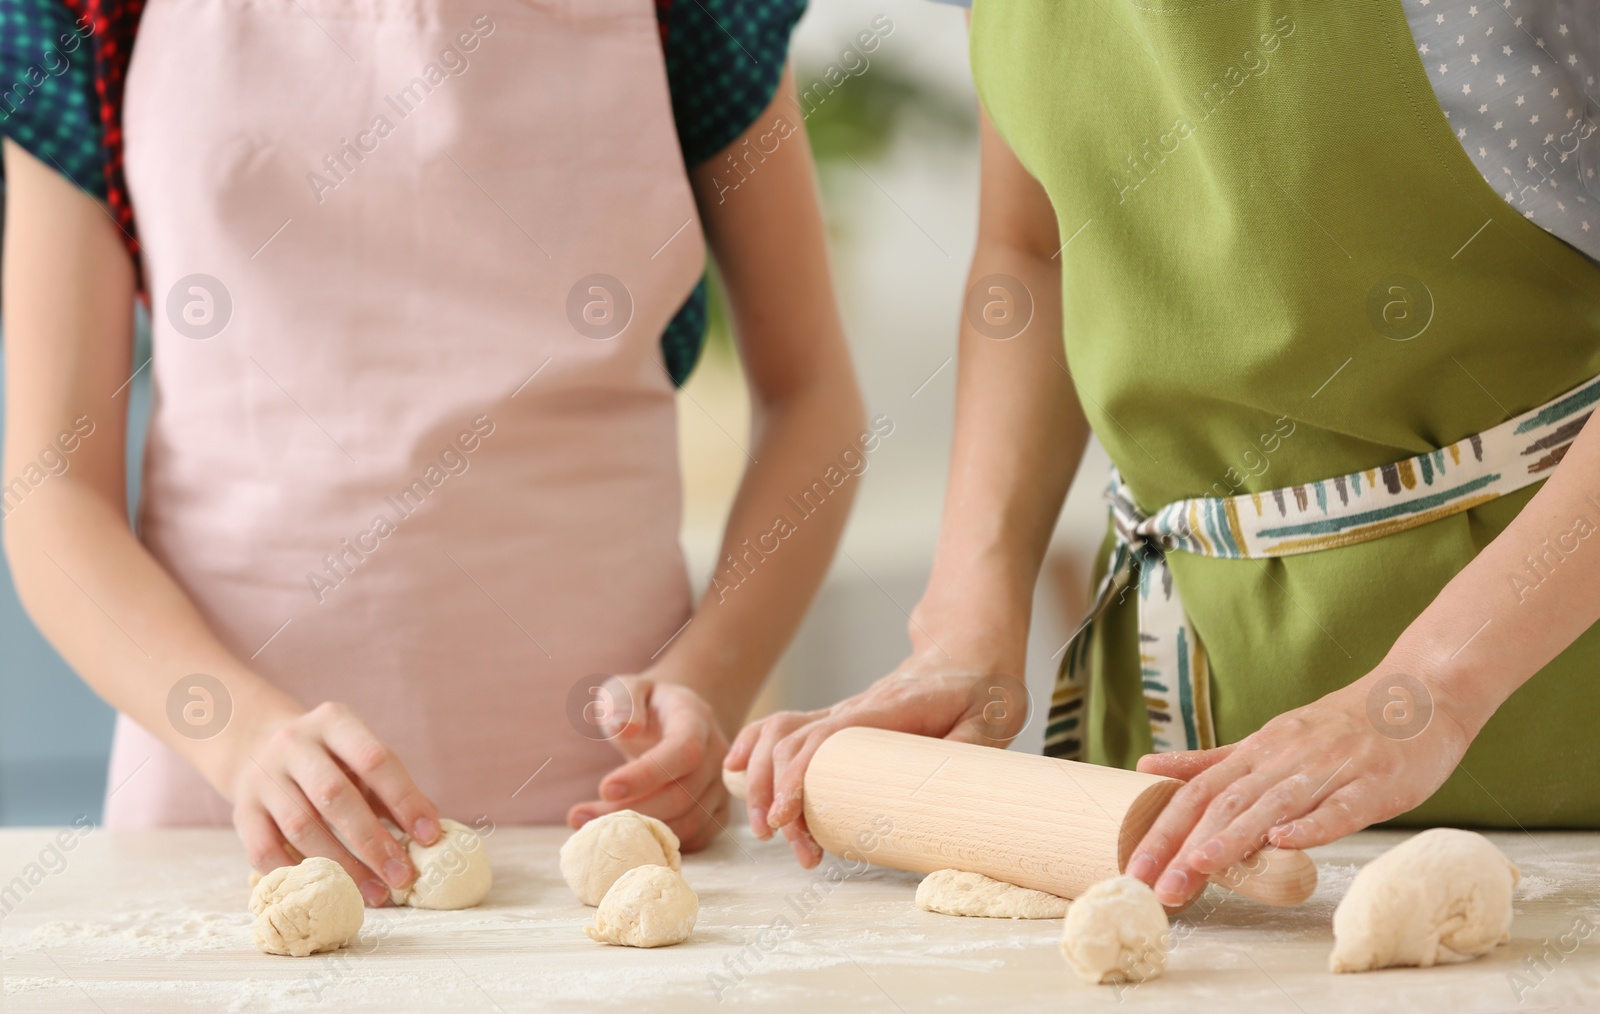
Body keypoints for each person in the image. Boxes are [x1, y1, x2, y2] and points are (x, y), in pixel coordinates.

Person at [729, 0, 1600, 907]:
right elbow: (1033, 248)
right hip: (1166, 771)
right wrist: (963, 628)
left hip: (1549, 732)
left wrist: (1437, 684)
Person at [1, 0, 863, 907]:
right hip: (223, 812)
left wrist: (711, 684)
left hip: (610, 804)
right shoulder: (91, 14)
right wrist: (237, 734)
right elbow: (51, 489)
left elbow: (812, 398)